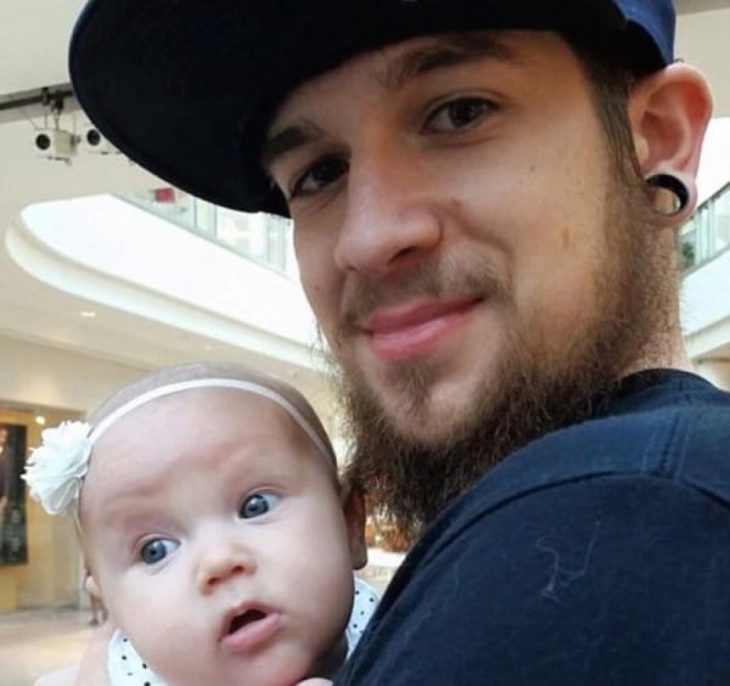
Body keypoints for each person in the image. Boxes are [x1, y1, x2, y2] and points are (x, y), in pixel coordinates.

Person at [67, 1, 730, 684]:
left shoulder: (623, 518)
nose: (368, 238)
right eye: (319, 173)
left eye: (460, 112)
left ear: (659, 133)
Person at [23, 362, 374, 686]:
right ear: (112, 607)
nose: (218, 561)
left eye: (255, 506)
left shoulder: (406, 627)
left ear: (350, 523)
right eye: (154, 550)